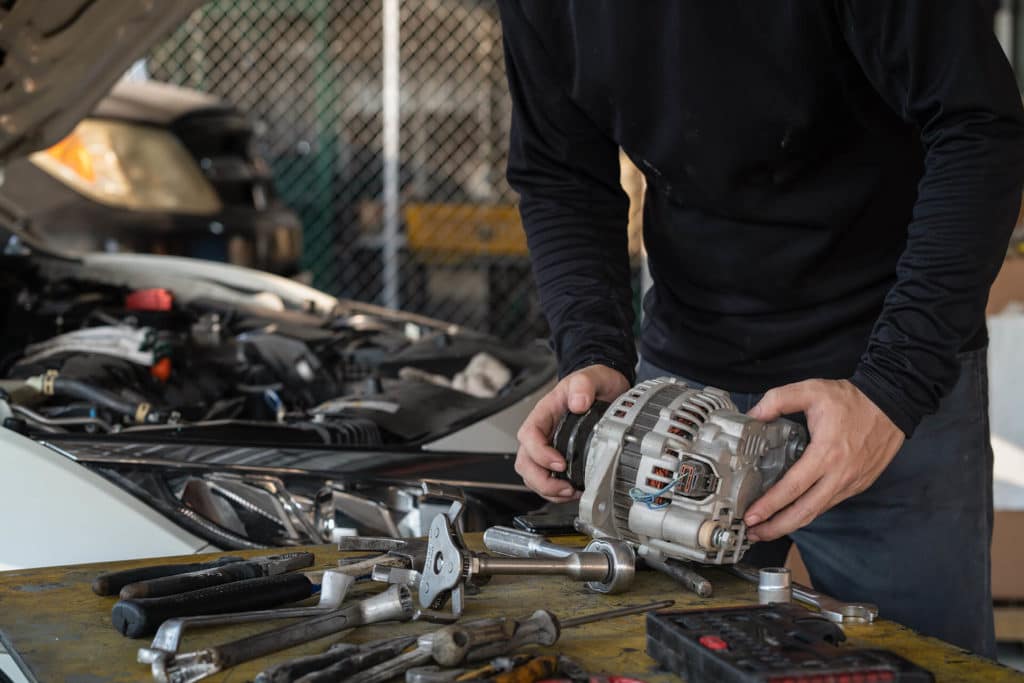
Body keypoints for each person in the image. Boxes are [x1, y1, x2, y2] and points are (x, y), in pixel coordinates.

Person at [496, 1, 1024, 657]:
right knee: (657, 659)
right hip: (683, 395)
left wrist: (893, 388)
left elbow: (978, 127)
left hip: (881, 389)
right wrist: (591, 353)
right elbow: (560, 169)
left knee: (921, 665)